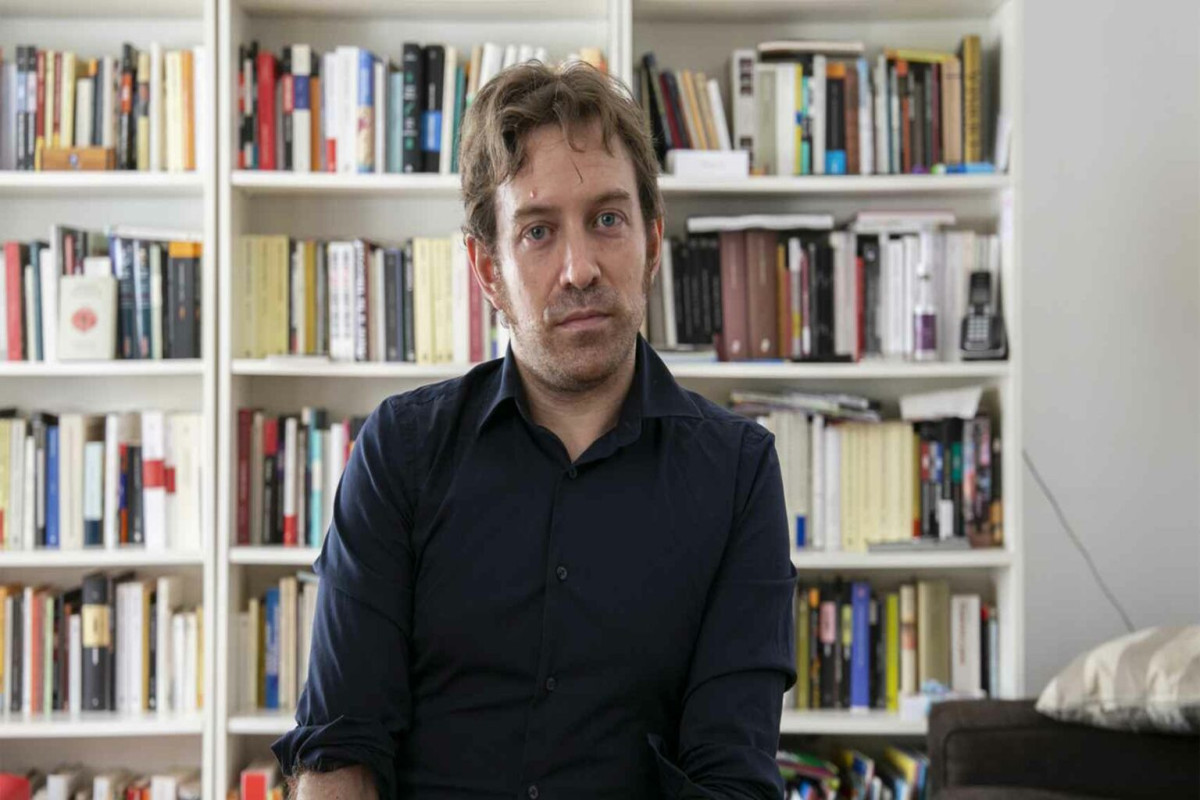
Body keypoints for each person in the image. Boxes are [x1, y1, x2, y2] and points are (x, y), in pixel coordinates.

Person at [272, 60, 797, 800]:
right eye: (539, 231)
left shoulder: (738, 474)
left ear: (652, 243)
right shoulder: (401, 451)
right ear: (487, 269)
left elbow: (731, 777)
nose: (580, 269)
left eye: (607, 220)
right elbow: (340, 748)